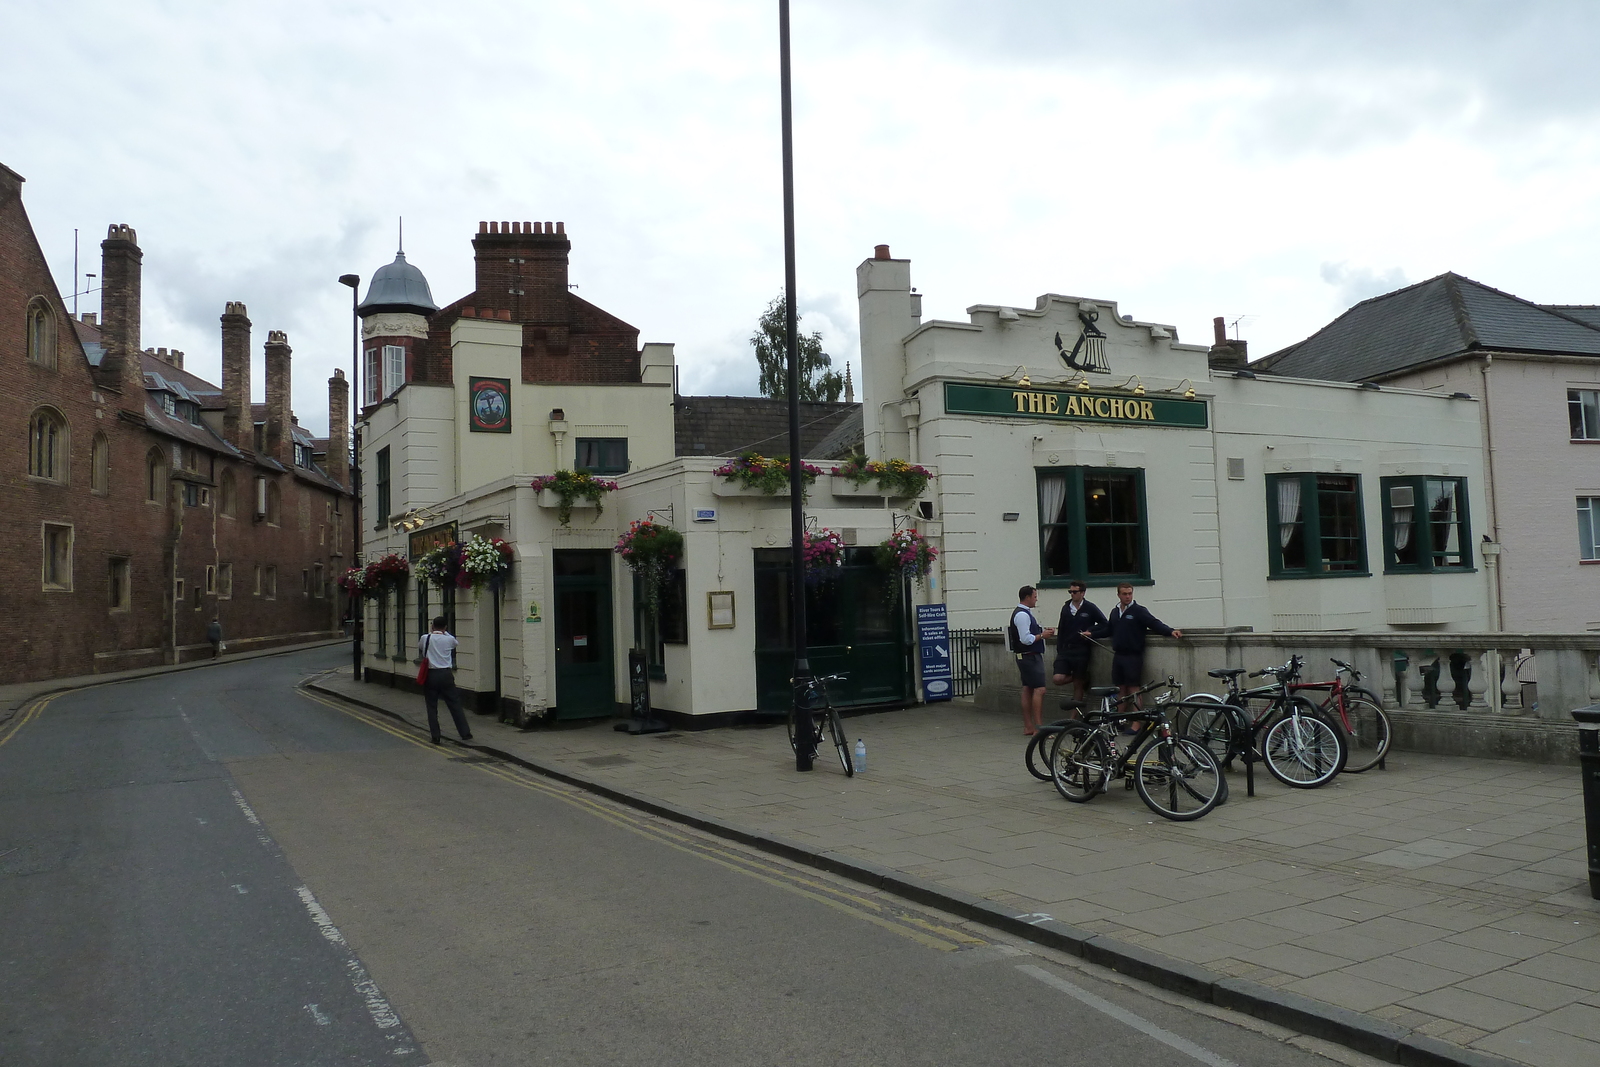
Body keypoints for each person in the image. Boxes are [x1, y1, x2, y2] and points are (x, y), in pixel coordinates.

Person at [1099, 583, 1182, 710]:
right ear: (1118, 595)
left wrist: (1170, 631)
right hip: (1118, 655)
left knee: (1134, 689)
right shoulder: (1115, 612)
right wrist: (1091, 633)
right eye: (1124, 594)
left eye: (1130, 593)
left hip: (1133, 655)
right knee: (1120, 688)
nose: (1128, 597)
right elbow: (1108, 630)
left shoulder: (1139, 611)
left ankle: (1136, 722)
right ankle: (1119, 720)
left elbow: (1154, 623)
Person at [1008, 586, 1056, 735]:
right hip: (1030, 656)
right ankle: (1038, 728)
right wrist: (1042, 636)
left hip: (1025, 656)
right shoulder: (1022, 615)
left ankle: (1029, 726)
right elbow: (1026, 639)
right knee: (1039, 689)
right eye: (1035, 596)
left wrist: (1042, 632)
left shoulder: (1023, 613)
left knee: (1028, 688)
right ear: (1027, 597)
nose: (1036, 599)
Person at [419, 616, 474, 744]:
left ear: (432, 626)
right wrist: (444, 632)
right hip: (446, 674)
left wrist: (433, 632)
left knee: (432, 706)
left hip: (431, 674)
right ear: (445, 627)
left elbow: (421, 649)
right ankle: (465, 733)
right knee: (454, 704)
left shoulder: (425, 638)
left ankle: (436, 736)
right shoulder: (449, 639)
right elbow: (455, 643)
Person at [1052, 581, 1106, 705]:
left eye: (1075, 592)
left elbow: (1104, 624)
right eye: (1070, 592)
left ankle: (1075, 716)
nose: (1072, 594)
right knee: (1057, 679)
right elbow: (1062, 629)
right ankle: (1083, 677)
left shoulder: (1090, 608)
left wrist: (1090, 632)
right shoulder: (1066, 608)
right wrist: (1060, 648)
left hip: (1081, 650)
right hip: (1066, 650)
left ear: (1082, 593)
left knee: (1078, 685)